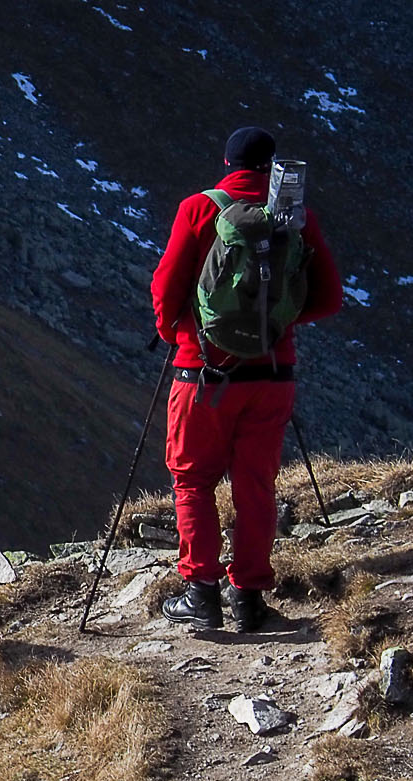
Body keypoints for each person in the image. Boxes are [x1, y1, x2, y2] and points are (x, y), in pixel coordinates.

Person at [150, 126, 343, 631]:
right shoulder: (296, 218)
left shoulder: (199, 209)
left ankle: (201, 593)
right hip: (274, 375)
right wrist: (271, 325)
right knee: (255, 484)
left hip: (203, 373)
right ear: (274, 166)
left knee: (193, 481)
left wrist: (179, 331)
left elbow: (167, 288)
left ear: (228, 162)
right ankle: (250, 599)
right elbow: (328, 299)